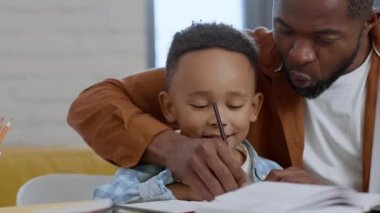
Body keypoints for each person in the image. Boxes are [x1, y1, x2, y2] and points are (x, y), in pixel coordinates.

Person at [68, 0, 380, 201]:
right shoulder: (245, 60)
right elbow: (92, 104)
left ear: (369, 21)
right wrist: (172, 148)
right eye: (284, 29)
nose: (298, 54)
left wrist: (334, 200)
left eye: (324, 38)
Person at [92, 23, 281, 204]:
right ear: (169, 108)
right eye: (199, 105)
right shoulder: (148, 173)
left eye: (234, 105)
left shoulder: (272, 175)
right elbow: (104, 202)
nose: (219, 120)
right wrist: (182, 192)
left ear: (254, 108)